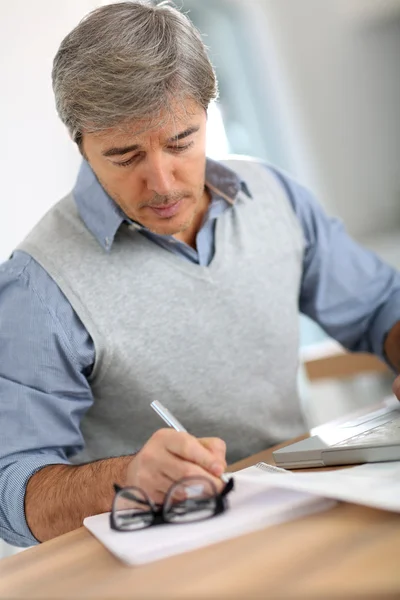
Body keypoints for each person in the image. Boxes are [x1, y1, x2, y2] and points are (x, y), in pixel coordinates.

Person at [1, 0, 400, 548]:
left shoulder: (275, 198)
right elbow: (12, 487)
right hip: (163, 553)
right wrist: (125, 479)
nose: (161, 183)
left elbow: (381, 308)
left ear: (209, 113)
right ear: (82, 144)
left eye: (180, 141)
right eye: (124, 155)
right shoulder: (37, 286)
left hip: (298, 514)